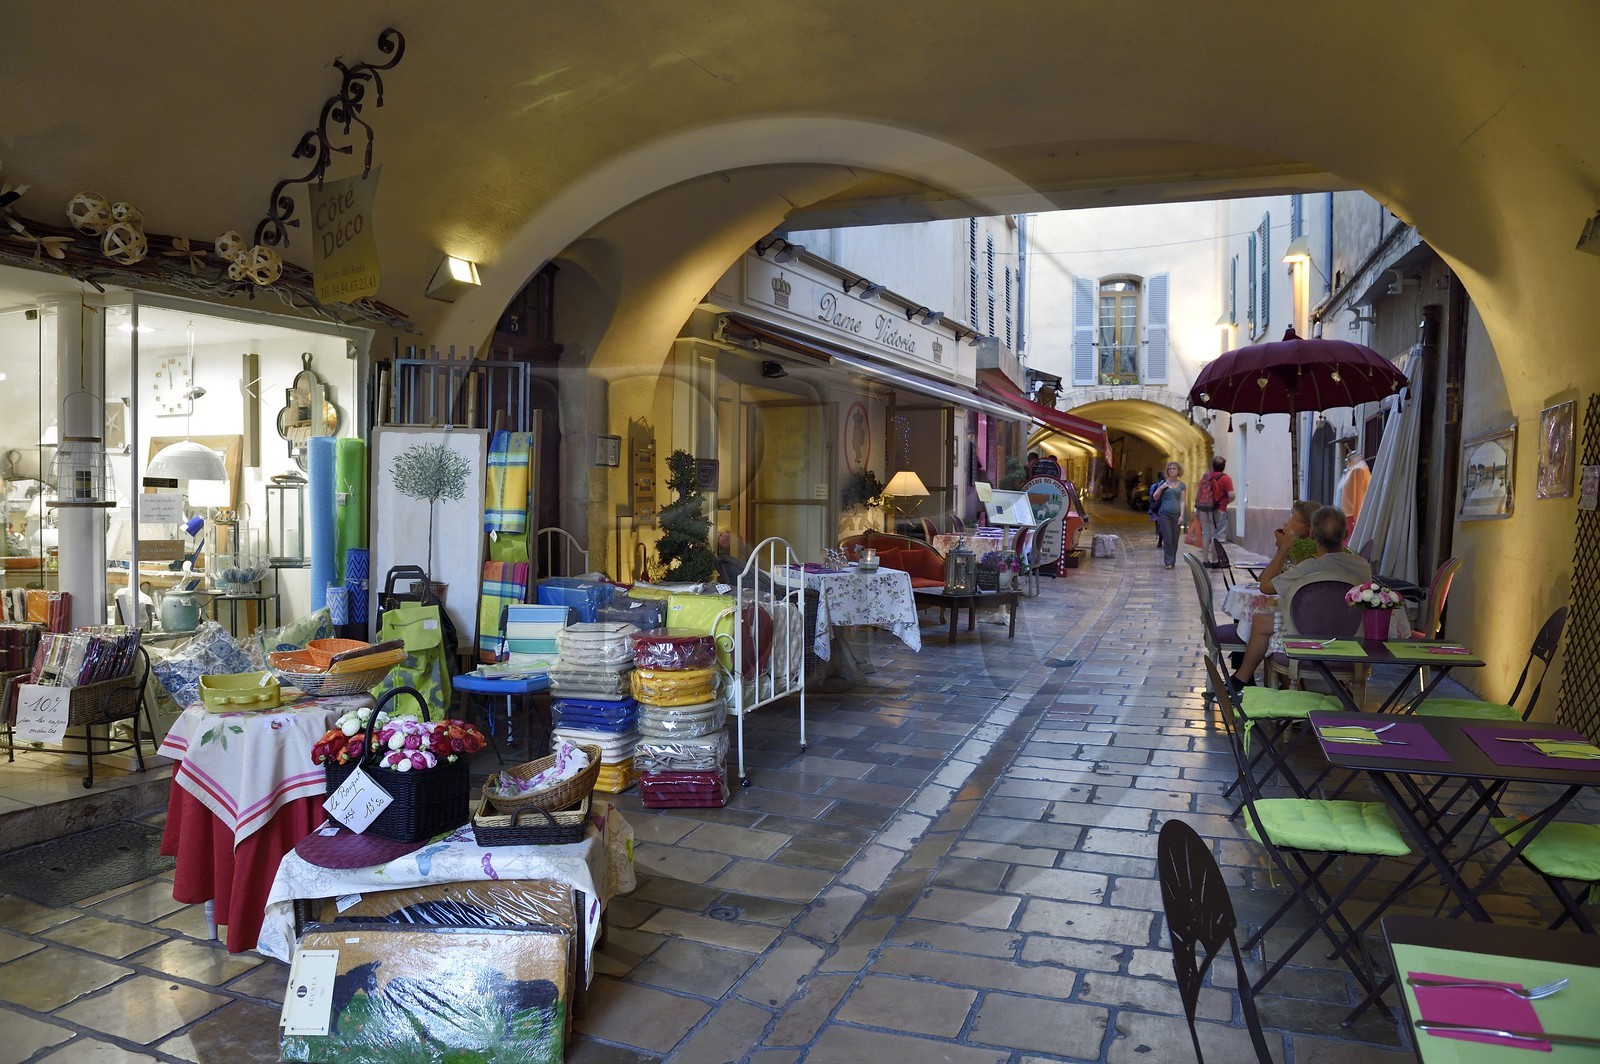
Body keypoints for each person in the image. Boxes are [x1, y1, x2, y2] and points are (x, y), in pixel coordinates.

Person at [1226, 504, 1371, 697]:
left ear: (1312, 535)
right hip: (1350, 635)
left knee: (1262, 621)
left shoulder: (1308, 568)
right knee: (1268, 622)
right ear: (1345, 534)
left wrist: (1284, 548)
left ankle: (1243, 680)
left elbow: (1265, 586)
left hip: (1308, 632)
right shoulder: (1362, 566)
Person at [1195, 456, 1236, 568]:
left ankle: (1205, 560)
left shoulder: (1205, 477)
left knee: (1206, 534)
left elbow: (1199, 493)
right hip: (1218, 509)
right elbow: (1231, 495)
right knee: (1216, 536)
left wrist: (1197, 509)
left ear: (1213, 465)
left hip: (1204, 509)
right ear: (1224, 466)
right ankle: (1215, 560)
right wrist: (1225, 502)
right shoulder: (1226, 478)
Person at [1149, 461, 1186, 569]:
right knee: (1168, 538)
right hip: (1164, 513)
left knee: (1175, 538)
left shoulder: (1182, 485)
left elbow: (1182, 501)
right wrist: (1162, 487)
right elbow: (1155, 497)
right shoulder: (1163, 483)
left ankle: (1172, 560)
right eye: (1170, 469)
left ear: (1178, 471)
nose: (1172, 470)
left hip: (1176, 514)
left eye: (1174, 469)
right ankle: (1168, 562)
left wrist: (1182, 516)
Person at [1337, 441, 1371, 540]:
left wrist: (1357, 522)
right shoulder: (1350, 469)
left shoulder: (1358, 470)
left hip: (1352, 518)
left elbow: (1358, 497)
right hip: (1346, 517)